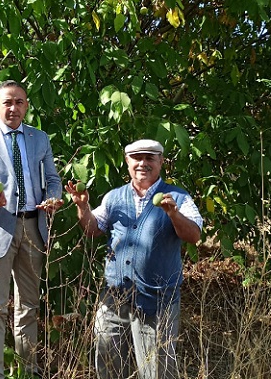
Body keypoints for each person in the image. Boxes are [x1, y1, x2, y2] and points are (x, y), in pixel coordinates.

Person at [65, 139, 203, 379]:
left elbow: (194, 235)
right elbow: (92, 229)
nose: (143, 163)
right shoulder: (114, 197)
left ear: (161, 161)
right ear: (127, 162)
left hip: (156, 301)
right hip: (113, 299)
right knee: (109, 366)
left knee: (156, 371)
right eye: (137, 158)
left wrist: (173, 214)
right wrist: (83, 208)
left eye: (150, 158)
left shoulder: (178, 197)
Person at [0, 80, 63, 378]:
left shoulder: (39, 138)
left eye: (19, 102)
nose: (13, 107)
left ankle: (28, 372)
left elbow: (52, 178)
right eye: (7, 102)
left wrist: (53, 197)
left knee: (29, 307)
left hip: (33, 227)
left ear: (26, 105)